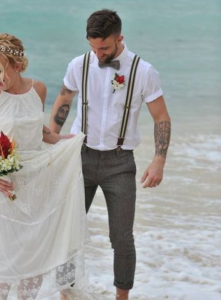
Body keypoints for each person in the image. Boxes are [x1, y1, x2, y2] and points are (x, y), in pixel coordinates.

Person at [50, 9, 171, 300]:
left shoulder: (143, 71)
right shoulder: (79, 65)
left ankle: (122, 297)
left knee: (121, 238)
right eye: (93, 47)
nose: (98, 53)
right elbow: (65, 97)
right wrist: (52, 138)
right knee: (66, 232)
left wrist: (159, 160)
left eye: (103, 47)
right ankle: (65, 295)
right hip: (79, 157)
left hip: (120, 163)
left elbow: (161, 117)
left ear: (120, 38)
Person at [0, 33, 88, 300]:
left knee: (33, 248)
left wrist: (63, 141)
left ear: (17, 66)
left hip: (36, 176)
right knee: (4, 255)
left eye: (0, 69)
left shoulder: (38, 89)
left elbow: (37, 129)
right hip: (3, 181)